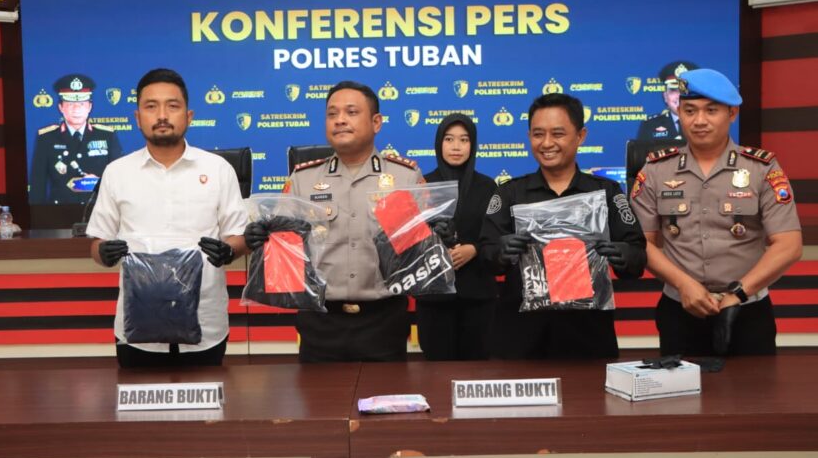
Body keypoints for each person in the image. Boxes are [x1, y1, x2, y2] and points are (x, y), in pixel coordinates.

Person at [247, 80, 424, 363]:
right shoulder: (303, 180)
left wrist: (436, 236)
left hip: (384, 321)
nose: (340, 120)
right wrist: (261, 239)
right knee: (319, 393)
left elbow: (418, 254)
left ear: (376, 122)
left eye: (351, 112)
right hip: (321, 322)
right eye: (332, 114)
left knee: (386, 392)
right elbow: (284, 255)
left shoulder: (405, 177)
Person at [631, 68, 802, 356]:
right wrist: (684, 284)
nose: (699, 120)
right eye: (690, 111)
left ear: (732, 114)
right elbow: (641, 242)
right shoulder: (656, 170)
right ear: (679, 112)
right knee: (679, 386)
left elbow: (789, 245)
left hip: (747, 310)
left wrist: (738, 293)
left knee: (755, 386)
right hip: (680, 309)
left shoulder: (761, 169)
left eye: (711, 110)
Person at [86, 68, 247, 367]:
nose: (162, 115)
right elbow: (97, 244)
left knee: (209, 398)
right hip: (136, 329)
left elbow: (239, 237)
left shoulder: (218, 169)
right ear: (137, 118)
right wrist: (104, 253)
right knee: (137, 399)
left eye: (172, 106)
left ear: (189, 116)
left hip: (205, 325)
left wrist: (229, 251)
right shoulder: (117, 173)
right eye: (151, 106)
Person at [479, 92, 647, 359]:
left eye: (558, 134)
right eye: (538, 134)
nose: (547, 143)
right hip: (520, 335)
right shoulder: (509, 193)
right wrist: (500, 252)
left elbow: (637, 253)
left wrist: (625, 255)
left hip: (589, 333)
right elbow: (486, 253)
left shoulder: (606, 192)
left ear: (580, 136)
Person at [417, 113, 498, 360]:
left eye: (464, 140)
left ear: (472, 145)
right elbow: (410, 238)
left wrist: (474, 249)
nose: (456, 146)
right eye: (449, 139)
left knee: (476, 369)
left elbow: (497, 235)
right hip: (434, 295)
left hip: (477, 293)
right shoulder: (423, 185)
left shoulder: (488, 186)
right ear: (438, 143)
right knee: (436, 371)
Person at [29, 73, 123, 204]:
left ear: (90, 107)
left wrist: (98, 183)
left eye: (81, 104)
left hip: (99, 210)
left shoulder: (107, 136)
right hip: (59, 212)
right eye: (70, 104)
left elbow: (119, 180)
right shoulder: (46, 138)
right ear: (61, 107)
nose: (76, 109)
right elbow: (38, 185)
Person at [636, 61, 698, 141]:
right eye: (673, 90)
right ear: (665, 96)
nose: (679, 96)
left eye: (684, 91)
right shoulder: (650, 125)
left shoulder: (706, 123)